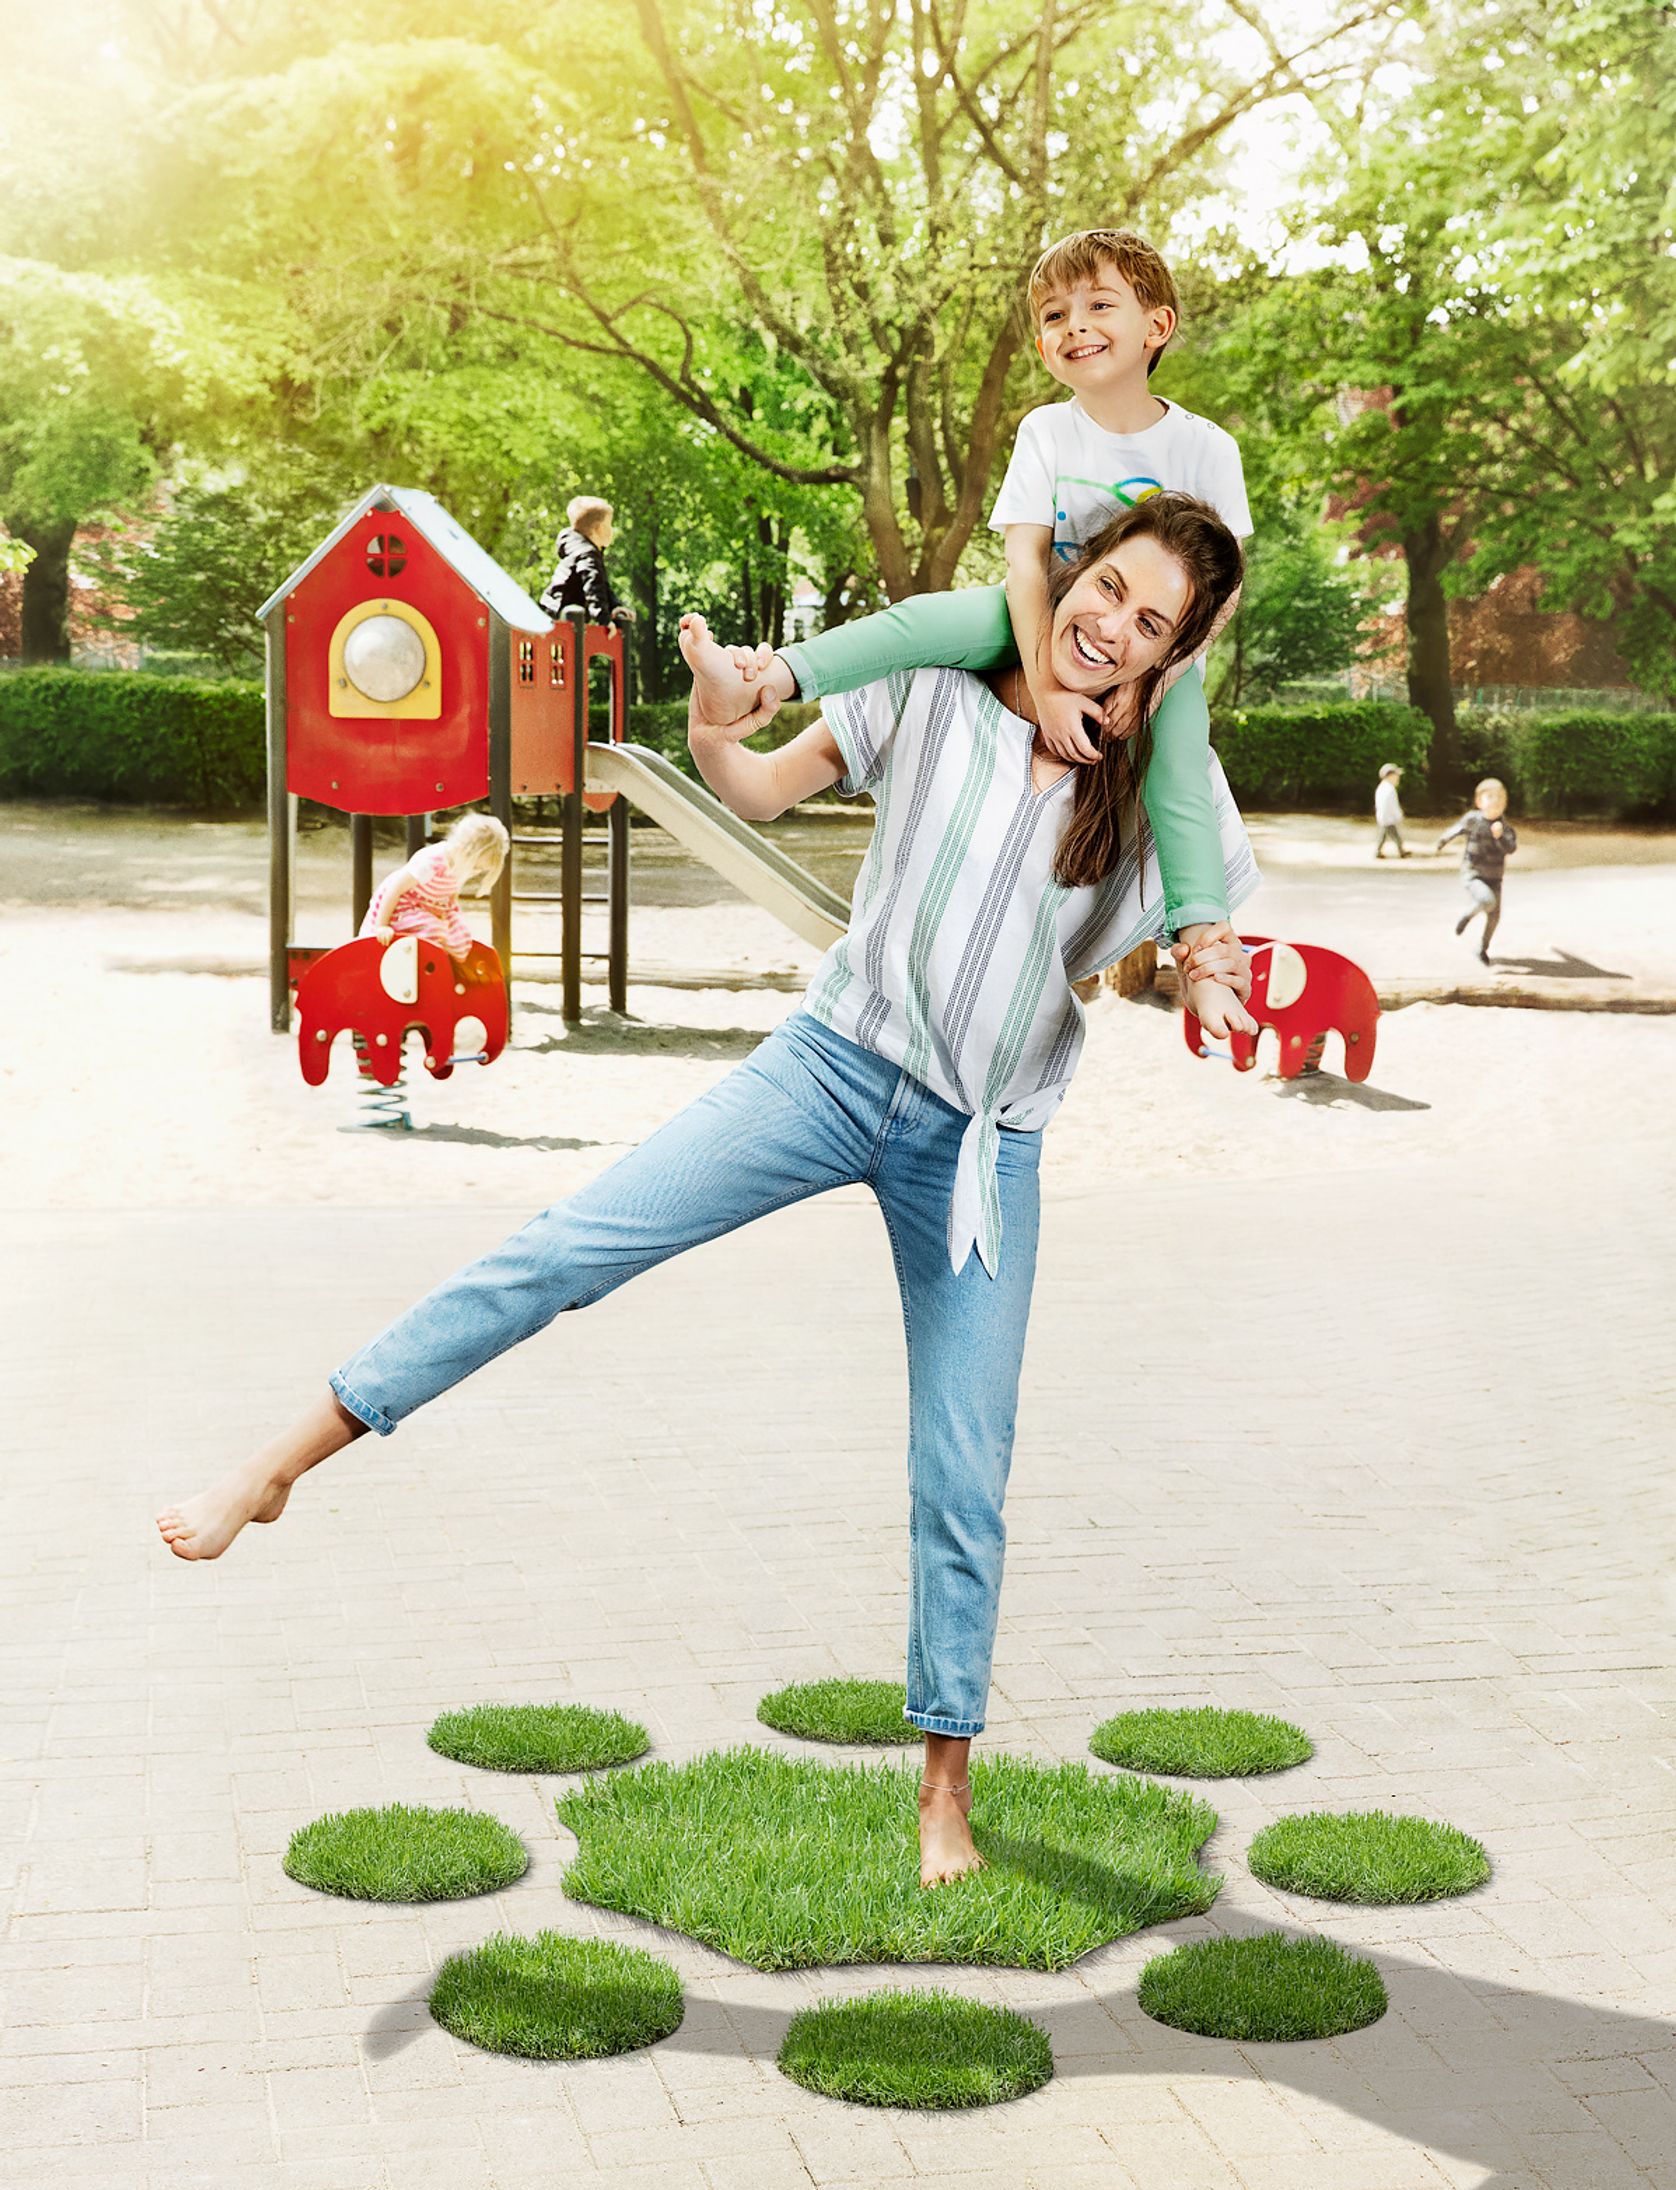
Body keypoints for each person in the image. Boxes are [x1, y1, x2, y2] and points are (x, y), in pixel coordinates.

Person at [155, 494, 1257, 1891]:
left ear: (1172, 658)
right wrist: (714, 727)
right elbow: (758, 791)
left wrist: (1209, 983)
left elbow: (1183, 941)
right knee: (563, 1252)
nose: (1109, 627)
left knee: (964, 1469)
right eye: (1106, 589)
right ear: (1068, 576)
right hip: (831, 1069)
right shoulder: (931, 690)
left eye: (1150, 624)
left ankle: (943, 1796)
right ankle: (278, 1462)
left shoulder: (1158, 791)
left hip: (981, 1149)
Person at [687, 226, 1250, 874]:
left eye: (1098, 304)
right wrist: (1046, 685)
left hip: (1155, 654)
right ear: (1041, 345)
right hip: (1044, 613)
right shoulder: (1046, 430)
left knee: (1180, 765)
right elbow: (1024, 565)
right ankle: (768, 679)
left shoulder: (1207, 447)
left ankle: (1203, 935)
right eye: (1054, 314)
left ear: (1157, 325)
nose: (1075, 325)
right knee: (919, 623)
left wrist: (1154, 687)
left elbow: (1223, 593)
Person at [358, 813, 509, 962]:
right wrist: (382, 926)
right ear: (465, 851)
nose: (475, 872)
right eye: (476, 866)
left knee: (462, 935)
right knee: (433, 930)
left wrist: (450, 914)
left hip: (434, 906)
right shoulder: (430, 863)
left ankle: (446, 968)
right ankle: (426, 967)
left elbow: (452, 891)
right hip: (404, 907)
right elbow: (394, 889)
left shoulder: (460, 862)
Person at [1436, 778, 1517, 962]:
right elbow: (1456, 829)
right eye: (1490, 797)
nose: (1495, 801)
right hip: (1473, 873)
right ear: (1479, 801)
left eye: (1500, 798)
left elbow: (1511, 848)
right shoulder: (1473, 820)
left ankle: (1482, 948)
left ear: (1505, 804)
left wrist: (1500, 836)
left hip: (1495, 877)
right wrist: (1442, 841)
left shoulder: (1505, 828)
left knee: (1494, 916)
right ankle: (1467, 915)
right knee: (1487, 900)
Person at [540, 495, 622, 626]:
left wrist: (615, 606)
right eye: (609, 525)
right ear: (598, 529)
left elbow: (603, 585)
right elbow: (593, 583)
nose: (612, 530)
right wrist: (604, 619)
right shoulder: (587, 554)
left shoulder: (582, 550)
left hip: (552, 610)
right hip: (561, 613)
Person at [1374, 763, 1408, 859]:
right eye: (1396, 776)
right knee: (1396, 837)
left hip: (1383, 817)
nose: (1398, 778)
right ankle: (1402, 851)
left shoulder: (1381, 787)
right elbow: (1392, 805)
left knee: (1383, 836)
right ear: (1390, 776)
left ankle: (1378, 851)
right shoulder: (1389, 789)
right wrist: (1398, 815)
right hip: (1388, 818)